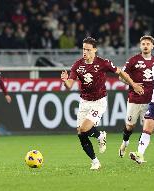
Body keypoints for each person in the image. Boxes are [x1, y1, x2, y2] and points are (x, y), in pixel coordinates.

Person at [61, 37, 144, 170]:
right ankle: (95, 161)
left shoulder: (103, 63)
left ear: (95, 50)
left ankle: (100, 135)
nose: (85, 52)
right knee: (80, 133)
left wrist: (133, 84)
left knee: (84, 129)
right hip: (84, 102)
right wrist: (65, 81)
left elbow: (120, 72)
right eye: (83, 49)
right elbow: (69, 85)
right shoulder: (77, 65)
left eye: (88, 50)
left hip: (98, 102)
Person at [118, 35, 154, 157]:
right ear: (140, 46)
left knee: (147, 129)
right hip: (134, 100)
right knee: (130, 126)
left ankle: (139, 153)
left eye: (148, 44)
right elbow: (121, 76)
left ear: (152, 46)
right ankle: (125, 142)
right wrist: (133, 84)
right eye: (143, 44)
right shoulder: (133, 60)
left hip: (150, 101)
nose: (145, 46)